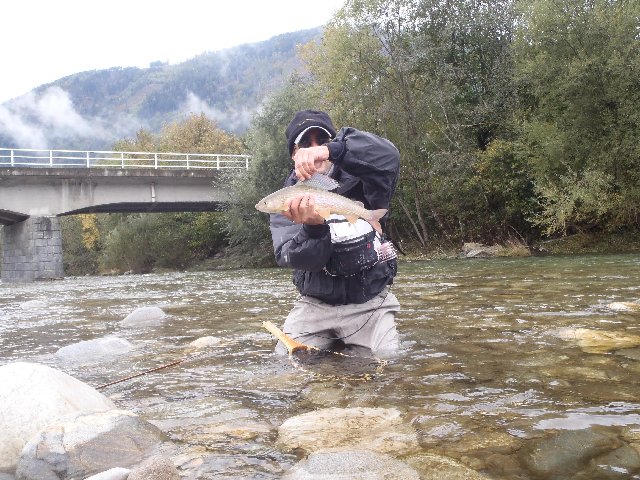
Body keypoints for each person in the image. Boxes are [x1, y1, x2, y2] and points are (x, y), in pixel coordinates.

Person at [268, 109, 401, 356]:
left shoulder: (365, 176)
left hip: (371, 303)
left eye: (322, 141)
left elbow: (389, 156)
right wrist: (314, 228)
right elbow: (291, 257)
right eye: (305, 144)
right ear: (294, 155)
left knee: (389, 362)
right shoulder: (286, 201)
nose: (314, 150)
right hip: (315, 306)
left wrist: (333, 151)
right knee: (287, 363)